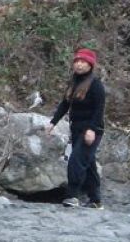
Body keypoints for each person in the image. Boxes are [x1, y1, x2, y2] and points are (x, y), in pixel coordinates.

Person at [44, 48, 106, 209]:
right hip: (76, 128)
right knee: (89, 163)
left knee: (76, 161)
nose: (79, 65)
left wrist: (92, 129)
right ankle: (95, 200)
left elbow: (99, 110)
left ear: (90, 65)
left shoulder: (96, 85)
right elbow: (65, 104)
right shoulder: (73, 83)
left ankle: (72, 196)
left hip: (92, 130)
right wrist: (53, 122)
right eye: (77, 61)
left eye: (83, 62)